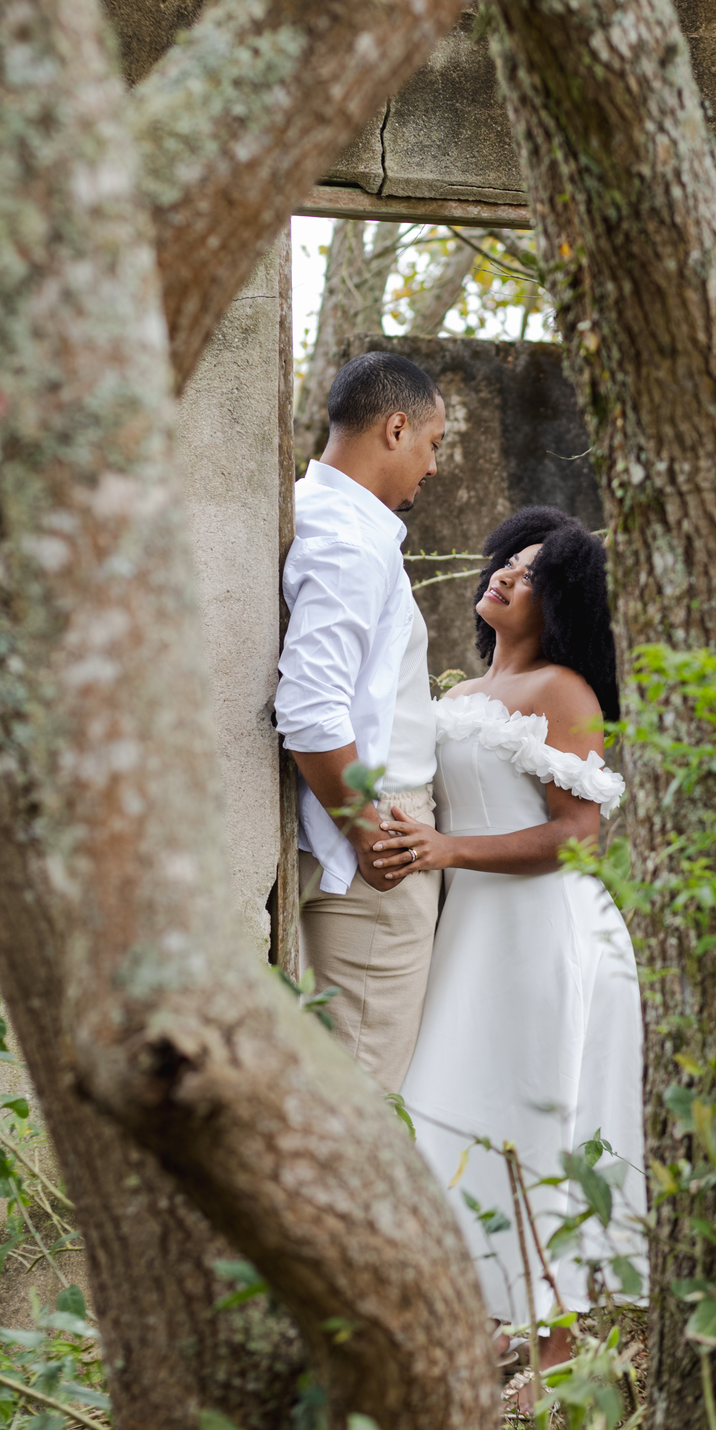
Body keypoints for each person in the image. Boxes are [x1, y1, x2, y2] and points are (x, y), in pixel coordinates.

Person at [372, 507, 645, 1372]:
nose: (505, 575)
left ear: (559, 600)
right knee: (453, 1112)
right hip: (474, 936)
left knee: (536, 1123)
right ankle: (489, 1329)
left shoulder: (565, 692)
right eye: (505, 561)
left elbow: (579, 835)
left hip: (545, 937)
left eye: (530, 573)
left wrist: (448, 849)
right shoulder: (459, 696)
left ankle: (556, 1368)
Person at [275, 350, 447, 1094]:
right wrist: (369, 833)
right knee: (364, 1094)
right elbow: (310, 709)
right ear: (397, 427)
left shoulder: (305, 508)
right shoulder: (352, 539)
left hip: (331, 824)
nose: (432, 468)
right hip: (377, 836)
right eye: (433, 445)